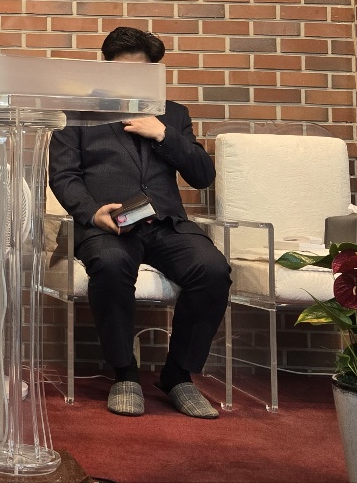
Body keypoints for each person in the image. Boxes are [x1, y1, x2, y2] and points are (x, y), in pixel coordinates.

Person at [47, 26, 229, 419]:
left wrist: (163, 134)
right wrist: (92, 212)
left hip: (166, 225)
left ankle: (177, 375)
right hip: (108, 225)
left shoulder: (173, 114)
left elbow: (203, 175)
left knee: (213, 269)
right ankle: (125, 374)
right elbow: (63, 175)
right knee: (111, 263)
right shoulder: (77, 114)